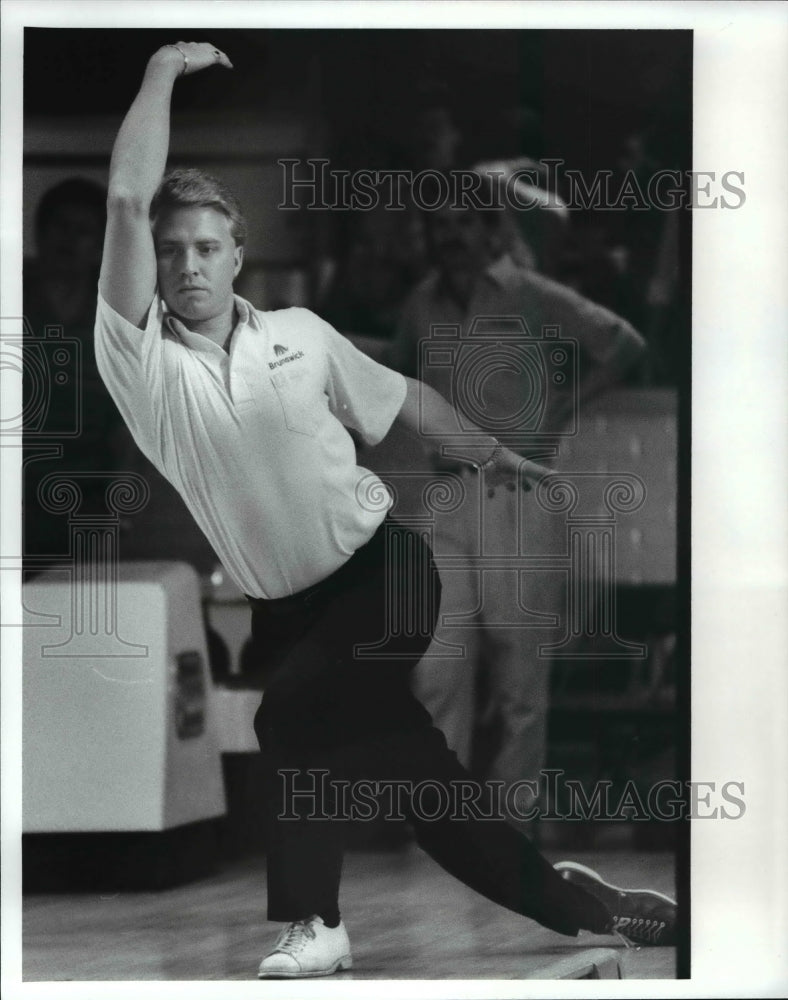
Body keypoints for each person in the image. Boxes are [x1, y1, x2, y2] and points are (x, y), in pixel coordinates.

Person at [95, 42, 676, 979]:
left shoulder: (302, 336)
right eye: (172, 252)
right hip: (288, 616)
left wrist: (486, 450)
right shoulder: (140, 362)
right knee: (427, 788)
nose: (189, 265)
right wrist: (161, 69)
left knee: (287, 719)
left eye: (208, 247)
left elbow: (403, 395)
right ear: (151, 267)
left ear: (238, 255)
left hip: (387, 573)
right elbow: (126, 199)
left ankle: (314, 926)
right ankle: (583, 905)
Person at [385, 192, 646, 821]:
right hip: (446, 497)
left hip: (518, 498)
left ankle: (509, 825)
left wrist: (564, 406)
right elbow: (396, 377)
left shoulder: (529, 293)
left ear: (489, 228)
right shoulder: (421, 303)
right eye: (438, 224)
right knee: (439, 665)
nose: (450, 235)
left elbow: (626, 344)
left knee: (519, 675)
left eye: (462, 222)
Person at [23, 178, 127, 571]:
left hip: (87, 503)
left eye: (84, 231)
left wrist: (119, 506)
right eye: (60, 227)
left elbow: (129, 427)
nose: (69, 240)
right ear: (40, 234)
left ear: (100, 246)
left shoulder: (116, 319)